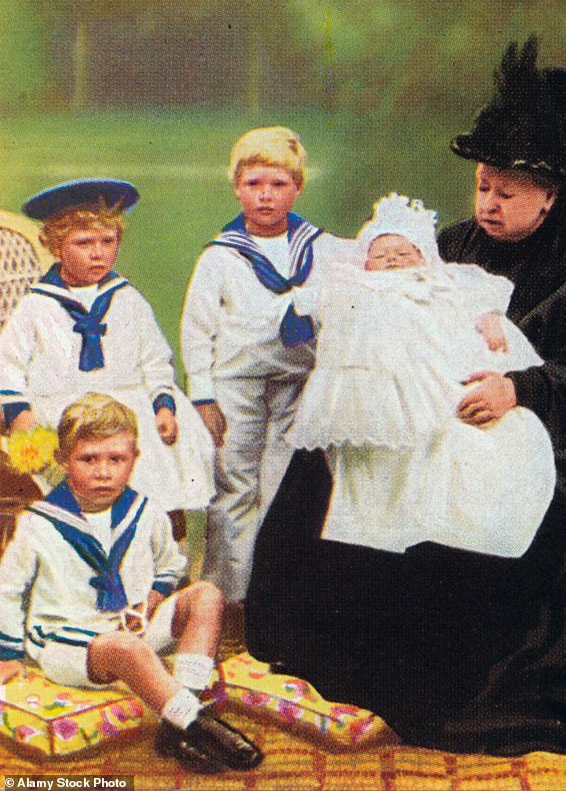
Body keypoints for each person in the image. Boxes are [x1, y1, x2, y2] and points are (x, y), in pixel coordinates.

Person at [246, 39, 566, 758]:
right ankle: (312, 647)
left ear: (550, 196)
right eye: (483, 186)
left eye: (506, 192)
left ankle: (440, 681)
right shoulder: (447, 246)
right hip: (440, 403)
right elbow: (387, 298)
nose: (487, 203)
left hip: (562, 426)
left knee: (473, 491)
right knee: (337, 463)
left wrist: (516, 387)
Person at [0, 393, 262, 774]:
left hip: (132, 626)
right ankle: (199, 723)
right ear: (63, 460)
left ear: (134, 459)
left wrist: (153, 600)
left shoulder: (144, 511)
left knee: (207, 594)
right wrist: (6, 654)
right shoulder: (39, 523)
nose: (103, 472)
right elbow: (6, 591)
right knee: (126, 648)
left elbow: (171, 564)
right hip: (72, 645)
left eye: (116, 459)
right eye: (88, 459)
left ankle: (177, 726)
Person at [286, 192, 555, 558]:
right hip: (374, 383)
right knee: (375, 469)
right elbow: (313, 305)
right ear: (365, 263)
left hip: (436, 379)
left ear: (424, 258)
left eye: (404, 253)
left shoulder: (440, 283)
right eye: (380, 255)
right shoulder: (358, 287)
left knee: (474, 445)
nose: (392, 260)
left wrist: (490, 318)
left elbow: (476, 299)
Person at [181, 125, 356, 602]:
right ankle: (225, 599)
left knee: (283, 485)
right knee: (234, 484)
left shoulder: (321, 248)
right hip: (235, 383)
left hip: (298, 381)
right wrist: (203, 395)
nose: (265, 196)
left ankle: (273, 596)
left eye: (278, 185)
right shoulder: (221, 255)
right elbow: (198, 328)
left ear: (298, 187)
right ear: (237, 187)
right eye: (254, 184)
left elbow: (374, 265)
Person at [0, 178, 216, 523]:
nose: (98, 253)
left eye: (107, 241)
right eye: (84, 243)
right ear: (56, 247)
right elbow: (7, 364)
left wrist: (163, 405)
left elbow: (155, 359)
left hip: (128, 407)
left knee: (152, 467)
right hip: (64, 410)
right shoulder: (36, 306)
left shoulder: (127, 299)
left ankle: (158, 546)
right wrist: (20, 414)